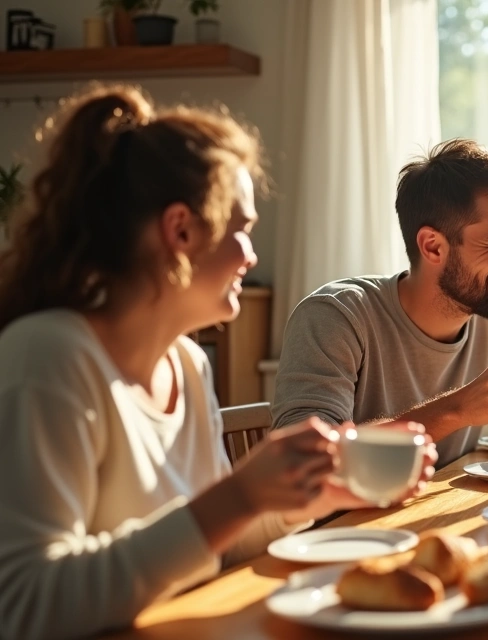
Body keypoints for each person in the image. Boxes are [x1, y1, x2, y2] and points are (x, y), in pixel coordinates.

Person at [0, 85, 436, 639]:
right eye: (243, 230)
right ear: (181, 230)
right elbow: (24, 606)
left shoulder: (185, 363)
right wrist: (240, 494)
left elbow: (213, 548)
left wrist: (321, 496)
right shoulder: (48, 356)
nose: (251, 255)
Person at [273, 139, 488, 467]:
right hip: (347, 519)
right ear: (433, 247)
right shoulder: (336, 317)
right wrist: (458, 409)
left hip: (432, 513)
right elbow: (304, 461)